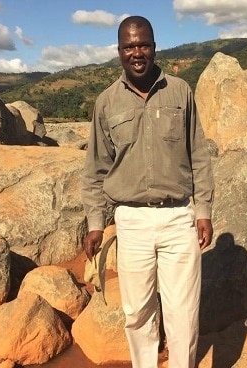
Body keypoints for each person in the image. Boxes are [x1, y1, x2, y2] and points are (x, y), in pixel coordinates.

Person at [81, 15, 215, 368]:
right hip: (132, 221)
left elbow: (198, 155)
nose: (136, 52)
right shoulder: (107, 102)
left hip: (178, 218)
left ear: (155, 47)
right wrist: (96, 222)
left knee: (183, 312)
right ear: (119, 51)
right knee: (137, 312)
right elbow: (95, 168)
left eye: (143, 45)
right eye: (129, 46)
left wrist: (203, 211)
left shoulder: (180, 91)